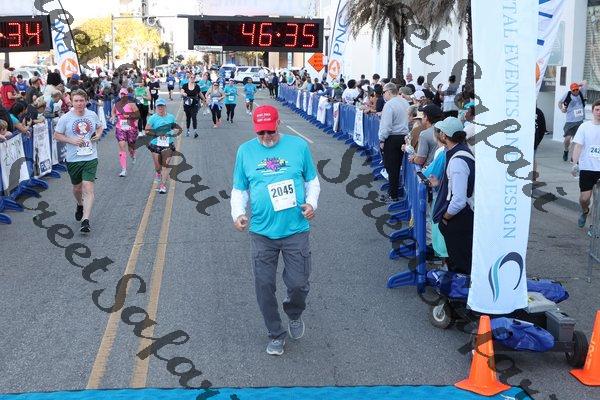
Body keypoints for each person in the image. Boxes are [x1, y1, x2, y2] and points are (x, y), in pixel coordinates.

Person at [230, 104, 320, 356]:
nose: (266, 137)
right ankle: (275, 333)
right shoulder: (245, 151)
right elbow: (239, 189)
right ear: (255, 129)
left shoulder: (298, 146)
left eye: (270, 131)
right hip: (261, 232)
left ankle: (294, 312)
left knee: (299, 284)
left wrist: (311, 204)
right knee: (264, 286)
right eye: (261, 133)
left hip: (295, 230)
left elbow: (312, 181)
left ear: (278, 124)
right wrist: (238, 214)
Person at [53, 89, 103, 233]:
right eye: (76, 101)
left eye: (81, 101)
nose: (79, 103)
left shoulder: (92, 115)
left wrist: (98, 134)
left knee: (88, 187)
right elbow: (57, 135)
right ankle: (80, 204)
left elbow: (99, 126)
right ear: (72, 102)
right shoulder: (66, 118)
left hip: (90, 157)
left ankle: (85, 220)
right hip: (73, 159)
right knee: (77, 188)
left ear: (86, 101)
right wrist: (71, 140)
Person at [430, 117, 474, 274]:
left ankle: (459, 289)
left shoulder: (457, 160)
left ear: (444, 135)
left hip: (458, 218)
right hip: (460, 216)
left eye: (441, 132)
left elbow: (459, 200)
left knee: (459, 263)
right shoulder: (460, 152)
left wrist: (445, 218)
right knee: (459, 260)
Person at [378, 83, 410, 202]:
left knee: (392, 167)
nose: (383, 95)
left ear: (389, 92)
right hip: (404, 137)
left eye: (383, 92)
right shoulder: (405, 102)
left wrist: (382, 139)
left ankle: (393, 194)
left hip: (392, 138)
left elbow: (386, 125)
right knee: (400, 166)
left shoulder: (389, 105)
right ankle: (396, 191)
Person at [571, 100, 600, 228]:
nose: (599, 112)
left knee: (598, 201)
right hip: (587, 167)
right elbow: (578, 146)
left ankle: (594, 227)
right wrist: (574, 163)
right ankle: (585, 211)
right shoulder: (584, 126)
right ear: (592, 111)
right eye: (597, 110)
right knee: (584, 198)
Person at [145, 98, 183, 194]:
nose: (160, 108)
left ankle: (162, 185)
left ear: (165, 107)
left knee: (165, 165)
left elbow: (175, 128)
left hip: (168, 144)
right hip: (155, 144)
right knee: (158, 167)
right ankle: (158, 173)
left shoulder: (171, 117)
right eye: (158, 106)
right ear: (156, 107)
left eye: (162, 106)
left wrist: (171, 132)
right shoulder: (153, 118)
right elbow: (147, 130)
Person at [112, 88, 140, 177]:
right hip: (120, 127)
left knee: (131, 146)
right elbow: (113, 112)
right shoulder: (116, 104)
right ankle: (123, 169)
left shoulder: (131, 104)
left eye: (124, 94)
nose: (123, 96)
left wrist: (130, 116)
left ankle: (133, 154)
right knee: (122, 145)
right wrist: (113, 117)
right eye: (121, 94)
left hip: (131, 127)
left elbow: (137, 115)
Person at [559, 82, 586, 162]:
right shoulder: (568, 94)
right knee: (567, 139)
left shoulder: (581, 92)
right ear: (571, 90)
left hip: (579, 121)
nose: (575, 91)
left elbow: (585, 82)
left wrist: (578, 85)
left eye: (577, 89)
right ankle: (566, 150)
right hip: (570, 121)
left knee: (576, 140)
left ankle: (573, 156)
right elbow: (560, 102)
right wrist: (562, 109)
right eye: (573, 90)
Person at [181, 74, 203, 138]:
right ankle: (188, 130)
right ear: (189, 78)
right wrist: (183, 93)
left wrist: (205, 100)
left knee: (194, 117)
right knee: (188, 118)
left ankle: (195, 132)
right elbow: (181, 91)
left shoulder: (197, 86)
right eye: (191, 77)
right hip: (187, 104)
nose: (192, 78)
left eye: (194, 77)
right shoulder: (185, 85)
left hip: (194, 104)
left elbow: (200, 94)